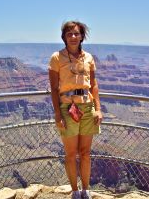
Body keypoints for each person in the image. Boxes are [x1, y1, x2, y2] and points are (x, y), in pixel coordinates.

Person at [48, 21, 102, 199]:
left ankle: (86, 190)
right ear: (64, 37)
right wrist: (58, 114)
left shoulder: (88, 58)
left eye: (76, 33)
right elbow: (54, 88)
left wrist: (98, 109)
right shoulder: (57, 58)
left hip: (87, 106)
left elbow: (93, 85)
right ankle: (75, 191)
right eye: (69, 34)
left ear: (82, 36)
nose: (73, 37)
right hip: (67, 107)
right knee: (71, 153)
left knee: (85, 153)